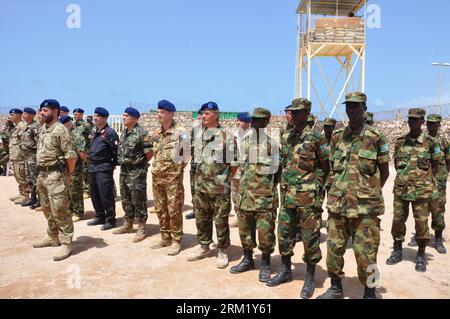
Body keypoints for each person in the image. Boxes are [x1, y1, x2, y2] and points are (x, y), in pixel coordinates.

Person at [318, 92, 389, 299]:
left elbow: (384, 172)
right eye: (348, 106)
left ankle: (370, 291)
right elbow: (332, 169)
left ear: (364, 108)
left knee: (368, 254)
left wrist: (369, 192)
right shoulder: (338, 137)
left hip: (365, 209)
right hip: (338, 205)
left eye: (355, 106)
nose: (351, 110)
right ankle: (335, 287)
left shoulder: (376, 138)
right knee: (334, 251)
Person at [267, 99, 329, 300]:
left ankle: (311, 277)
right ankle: (286, 270)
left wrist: (316, 190)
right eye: (290, 112)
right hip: (287, 197)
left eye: (295, 112)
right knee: (284, 234)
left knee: (310, 238)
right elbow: (283, 164)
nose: (291, 115)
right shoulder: (286, 136)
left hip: (308, 199)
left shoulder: (316, 138)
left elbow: (325, 167)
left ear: (306, 113)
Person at [386, 108, 440, 272]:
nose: (413, 122)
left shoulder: (431, 143)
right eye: (410, 119)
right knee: (398, 221)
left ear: (423, 122)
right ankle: (397, 251)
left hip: (421, 192)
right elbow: (397, 164)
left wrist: (423, 182)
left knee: (422, 223)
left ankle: (421, 255)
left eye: (416, 120)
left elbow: (435, 167)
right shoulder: (400, 141)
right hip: (402, 190)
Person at [229, 107, 280, 283]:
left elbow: (278, 173)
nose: (255, 123)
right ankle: (248, 259)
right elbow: (236, 168)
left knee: (266, 234)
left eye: (259, 120)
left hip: (264, 199)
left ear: (266, 122)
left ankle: (265, 263)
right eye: (253, 120)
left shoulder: (272, 146)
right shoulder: (243, 143)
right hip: (245, 197)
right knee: (245, 232)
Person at [187, 101, 236, 269]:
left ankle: (222, 250)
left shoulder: (227, 136)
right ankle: (204, 246)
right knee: (202, 219)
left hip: (219, 188)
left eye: (207, 113)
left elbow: (234, 164)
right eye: (202, 113)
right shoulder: (198, 134)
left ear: (216, 114)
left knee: (221, 221)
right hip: (201, 187)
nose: (203, 116)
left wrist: (224, 181)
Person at [32, 99, 77, 261]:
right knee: (47, 208)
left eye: (45, 110)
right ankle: (53, 236)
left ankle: (66, 242)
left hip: (56, 176)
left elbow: (71, 157)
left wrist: (68, 174)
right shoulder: (43, 129)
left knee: (61, 210)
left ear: (55, 112)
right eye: (41, 110)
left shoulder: (61, 130)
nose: (41, 113)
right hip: (42, 175)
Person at [150, 100, 189, 256]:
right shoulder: (156, 133)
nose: (159, 115)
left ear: (171, 113)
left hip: (173, 179)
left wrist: (176, 171)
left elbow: (187, 155)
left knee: (174, 210)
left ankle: (176, 240)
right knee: (160, 209)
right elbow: (154, 153)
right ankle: (165, 236)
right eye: (158, 112)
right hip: (157, 178)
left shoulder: (181, 132)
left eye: (162, 112)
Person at [113, 107, 153, 243]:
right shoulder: (124, 134)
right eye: (123, 115)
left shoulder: (142, 133)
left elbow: (149, 153)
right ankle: (128, 224)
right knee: (126, 198)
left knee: (138, 198)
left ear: (134, 118)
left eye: (126, 115)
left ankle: (141, 227)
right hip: (124, 170)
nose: (123, 117)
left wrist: (139, 164)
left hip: (136, 171)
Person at [86, 107, 119, 230]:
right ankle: (100, 216)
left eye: (98, 116)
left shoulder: (110, 133)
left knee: (106, 194)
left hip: (103, 167)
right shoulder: (95, 131)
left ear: (104, 118)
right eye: (94, 115)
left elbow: (115, 151)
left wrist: (112, 165)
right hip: (92, 167)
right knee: (94, 193)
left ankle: (111, 219)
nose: (95, 118)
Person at [426, 114, 449, 254]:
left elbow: (448, 160)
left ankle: (438, 239)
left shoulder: (444, 141)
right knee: (422, 209)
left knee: (438, 209)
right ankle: (422, 235)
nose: (431, 126)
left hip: (439, 181)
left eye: (434, 123)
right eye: (429, 123)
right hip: (423, 180)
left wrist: (443, 175)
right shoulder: (423, 140)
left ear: (439, 124)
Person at [59, 115, 88, 222]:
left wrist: (78, 163)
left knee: (75, 189)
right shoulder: (64, 134)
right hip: (66, 166)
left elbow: (82, 153)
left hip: (75, 165)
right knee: (68, 189)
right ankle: (70, 210)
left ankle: (78, 212)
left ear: (68, 123)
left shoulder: (76, 134)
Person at [229, 112, 252, 228]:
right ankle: (238, 217)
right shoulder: (233, 135)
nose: (237, 122)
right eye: (237, 120)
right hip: (236, 171)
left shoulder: (253, 136)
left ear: (247, 123)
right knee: (235, 195)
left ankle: (250, 220)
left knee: (249, 196)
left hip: (249, 172)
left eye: (240, 120)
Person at [19, 108, 40, 207]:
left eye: (26, 113)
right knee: (29, 178)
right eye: (23, 113)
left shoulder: (35, 126)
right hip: (26, 156)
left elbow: (37, 143)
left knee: (35, 178)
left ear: (32, 115)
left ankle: (40, 200)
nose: (23, 115)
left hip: (32, 156)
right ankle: (33, 198)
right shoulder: (25, 126)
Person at [186, 109, 204, 220]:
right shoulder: (195, 130)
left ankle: (206, 212)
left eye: (201, 116)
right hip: (194, 164)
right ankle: (195, 210)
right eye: (198, 116)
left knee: (205, 190)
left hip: (206, 166)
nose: (199, 118)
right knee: (193, 188)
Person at [8, 109, 29, 204]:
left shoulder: (22, 126)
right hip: (15, 156)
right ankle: (21, 192)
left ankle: (26, 195)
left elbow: (24, 142)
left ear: (18, 115)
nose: (10, 116)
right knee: (17, 176)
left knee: (22, 176)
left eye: (12, 114)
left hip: (20, 156)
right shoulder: (16, 127)